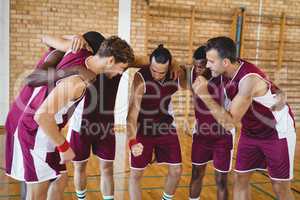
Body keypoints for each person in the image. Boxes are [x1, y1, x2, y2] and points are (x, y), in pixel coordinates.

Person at [7, 36, 134, 200]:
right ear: (110, 60)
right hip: (36, 132)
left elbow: (45, 37)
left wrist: (73, 37)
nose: (120, 73)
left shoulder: (77, 50)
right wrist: (63, 146)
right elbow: (42, 116)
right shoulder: (77, 82)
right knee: (38, 191)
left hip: (39, 127)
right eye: (121, 68)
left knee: (60, 179)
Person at [192, 36, 296, 200]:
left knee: (279, 186)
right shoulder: (225, 69)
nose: (208, 65)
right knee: (240, 178)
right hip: (251, 132)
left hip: (276, 131)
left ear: (225, 62)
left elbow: (229, 123)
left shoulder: (249, 81)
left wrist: (204, 94)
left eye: (211, 61)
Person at [127, 44, 186, 200]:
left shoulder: (175, 74)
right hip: (143, 129)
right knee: (136, 174)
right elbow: (132, 114)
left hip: (165, 127)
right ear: (149, 64)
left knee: (177, 170)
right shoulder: (141, 77)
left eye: (162, 72)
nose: (157, 75)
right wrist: (132, 142)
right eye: (153, 70)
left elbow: (189, 81)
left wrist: (178, 65)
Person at [189, 46, 234, 200]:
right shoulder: (192, 74)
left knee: (221, 180)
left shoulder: (225, 80)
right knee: (196, 174)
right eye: (195, 65)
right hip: (201, 135)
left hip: (222, 137)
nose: (197, 69)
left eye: (201, 66)